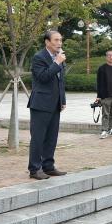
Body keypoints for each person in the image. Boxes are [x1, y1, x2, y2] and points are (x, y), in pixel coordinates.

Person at [27, 30, 68, 180]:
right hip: (41, 104)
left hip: (55, 103)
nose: (59, 43)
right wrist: (57, 63)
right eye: (56, 40)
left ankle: (48, 166)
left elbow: (60, 81)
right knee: (38, 137)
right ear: (47, 42)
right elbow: (43, 77)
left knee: (52, 137)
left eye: (60, 40)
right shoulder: (39, 57)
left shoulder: (59, 58)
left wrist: (62, 100)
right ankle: (34, 169)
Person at [95, 49, 112, 139]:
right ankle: (104, 130)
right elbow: (99, 83)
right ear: (106, 57)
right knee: (105, 114)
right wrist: (98, 96)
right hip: (105, 96)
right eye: (109, 55)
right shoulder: (102, 68)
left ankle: (111, 129)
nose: (111, 57)